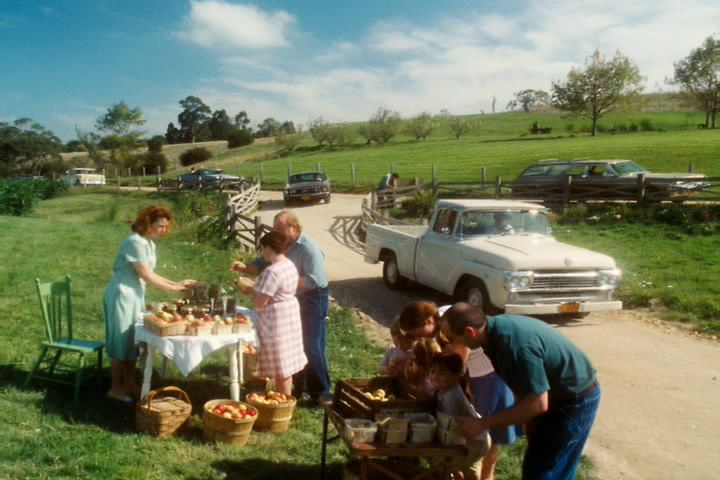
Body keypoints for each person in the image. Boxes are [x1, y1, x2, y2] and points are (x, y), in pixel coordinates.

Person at [440, 303, 601, 480]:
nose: (450, 343)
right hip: (550, 394)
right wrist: (526, 419)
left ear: (470, 332)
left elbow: (538, 404)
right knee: (537, 466)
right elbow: (519, 383)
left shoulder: (514, 346)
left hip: (574, 399)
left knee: (546, 472)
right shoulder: (490, 334)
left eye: (452, 338)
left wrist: (482, 423)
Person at [401, 300, 518, 480]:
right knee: (472, 426)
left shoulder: (452, 321)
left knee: (489, 431)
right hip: (473, 375)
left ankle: (486, 476)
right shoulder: (440, 322)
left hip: (488, 375)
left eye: (418, 334)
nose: (418, 339)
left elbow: (457, 364)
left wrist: (434, 380)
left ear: (428, 322)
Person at [232, 209, 330, 401]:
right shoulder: (282, 250)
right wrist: (245, 268)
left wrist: (275, 286)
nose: (275, 231)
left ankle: (322, 393)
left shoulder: (309, 249)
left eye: (279, 228)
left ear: (293, 228)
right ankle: (297, 389)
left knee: (311, 346)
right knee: (294, 347)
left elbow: (315, 280)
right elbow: (261, 263)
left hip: (313, 296)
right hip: (291, 299)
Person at [103, 206, 195, 403]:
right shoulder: (134, 242)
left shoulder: (149, 243)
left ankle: (128, 382)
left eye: (165, 226)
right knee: (121, 341)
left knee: (132, 340)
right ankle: (115, 388)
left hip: (135, 294)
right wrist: (175, 289)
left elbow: (151, 275)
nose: (164, 230)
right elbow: (145, 275)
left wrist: (176, 284)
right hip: (122, 294)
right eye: (160, 226)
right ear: (147, 223)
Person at [235, 231, 306, 396]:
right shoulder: (289, 264)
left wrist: (249, 289)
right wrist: (257, 288)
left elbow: (260, 302)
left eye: (263, 248)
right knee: (287, 360)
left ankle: (284, 400)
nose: (262, 252)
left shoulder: (272, 271)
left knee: (281, 362)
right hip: (290, 313)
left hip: (277, 318)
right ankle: (286, 397)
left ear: (268, 248)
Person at [431, 353, 491, 480]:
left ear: (456, 376)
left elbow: (448, 425)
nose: (435, 376)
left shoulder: (452, 398)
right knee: (459, 468)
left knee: (456, 468)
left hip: (476, 442)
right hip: (469, 438)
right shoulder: (444, 390)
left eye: (441, 373)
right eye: (433, 371)